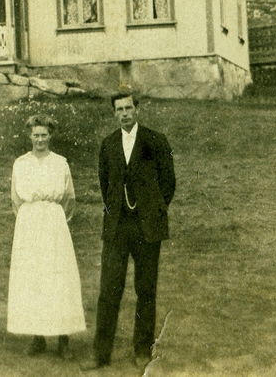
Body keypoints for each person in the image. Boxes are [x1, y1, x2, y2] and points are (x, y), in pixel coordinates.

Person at [83, 93, 175, 371]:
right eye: (119, 109)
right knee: (109, 290)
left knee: (145, 290)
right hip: (117, 228)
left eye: (128, 108)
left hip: (147, 228)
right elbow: (104, 183)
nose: (124, 113)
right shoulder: (108, 143)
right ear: (114, 113)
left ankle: (141, 350)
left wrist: (151, 209)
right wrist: (118, 208)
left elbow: (168, 183)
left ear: (137, 109)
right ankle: (101, 354)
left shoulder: (156, 140)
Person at [7, 114, 85, 359]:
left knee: (58, 278)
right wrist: (29, 218)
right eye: (35, 135)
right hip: (29, 223)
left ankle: (63, 339)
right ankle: (37, 337)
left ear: (50, 136)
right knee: (33, 278)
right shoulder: (20, 163)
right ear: (29, 136)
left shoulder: (60, 162)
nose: (39, 139)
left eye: (44, 135)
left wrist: (54, 218)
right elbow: (15, 200)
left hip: (54, 222)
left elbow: (68, 199)